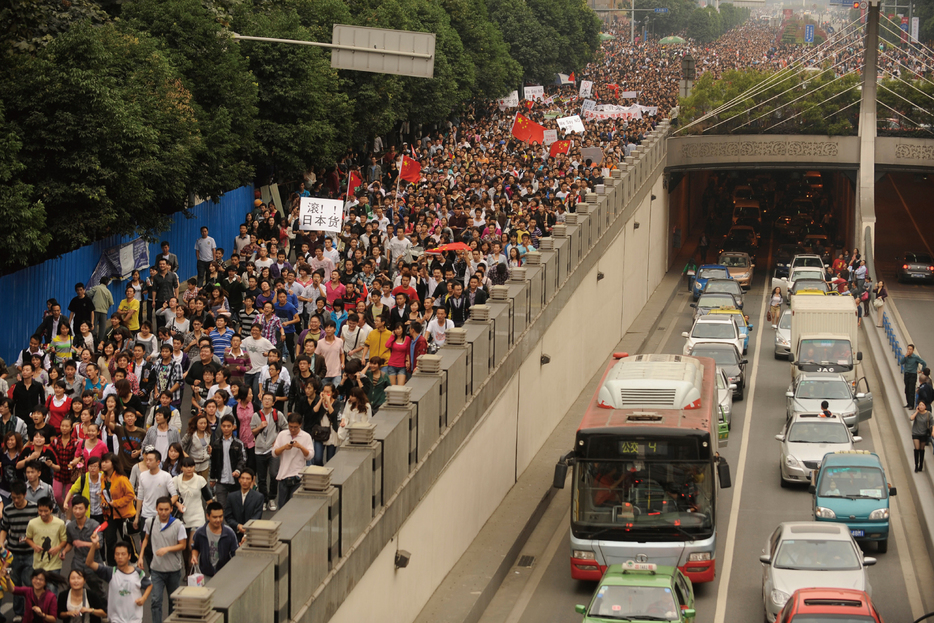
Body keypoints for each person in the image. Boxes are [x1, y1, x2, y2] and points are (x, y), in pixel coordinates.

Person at [138, 497, 186, 623]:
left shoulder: (178, 525)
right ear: (156, 509)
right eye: (161, 509)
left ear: (171, 509)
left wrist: (167, 549)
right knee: (155, 600)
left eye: (166, 509)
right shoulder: (150, 522)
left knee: (173, 602)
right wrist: (140, 556)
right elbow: (146, 539)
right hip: (156, 569)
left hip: (173, 570)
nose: (163, 512)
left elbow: (183, 545)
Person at [87, 534, 152, 623]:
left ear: (129, 556)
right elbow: (89, 563)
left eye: (123, 554)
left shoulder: (138, 573)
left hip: (134, 619)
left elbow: (149, 585)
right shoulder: (110, 572)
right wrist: (94, 544)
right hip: (116, 619)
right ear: (114, 556)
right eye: (117, 554)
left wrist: (144, 598)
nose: (120, 557)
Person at [0, 481, 40, 621]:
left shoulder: (35, 508)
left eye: (18, 497)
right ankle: (18, 613)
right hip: (13, 553)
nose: (16, 500)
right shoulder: (8, 509)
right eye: (13, 497)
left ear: (25, 494)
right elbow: (4, 528)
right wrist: (1, 544)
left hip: (30, 552)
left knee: (29, 583)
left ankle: (31, 612)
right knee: (15, 584)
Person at [133, 449, 179, 552]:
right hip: (145, 515)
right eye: (146, 460)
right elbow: (140, 497)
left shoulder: (166, 476)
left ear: (158, 462)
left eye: (150, 460)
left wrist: (164, 509)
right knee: (146, 546)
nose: (147, 462)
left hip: (161, 516)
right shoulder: (142, 476)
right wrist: (137, 516)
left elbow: (175, 495)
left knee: (161, 545)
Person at [64, 496, 106, 598]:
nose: (77, 511)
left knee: (98, 593)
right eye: (75, 508)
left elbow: (99, 544)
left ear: (86, 509)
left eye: (80, 508)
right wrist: (64, 551)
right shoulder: (70, 527)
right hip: (77, 564)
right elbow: (70, 542)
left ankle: (100, 612)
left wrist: (83, 543)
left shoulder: (94, 525)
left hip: (93, 564)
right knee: (72, 591)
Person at [100, 453, 136, 567]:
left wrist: (116, 503)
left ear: (113, 464)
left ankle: (134, 560)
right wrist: (104, 502)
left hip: (123, 514)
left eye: (106, 462)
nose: (103, 464)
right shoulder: (103, 478)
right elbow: (104, 493)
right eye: (103, 462)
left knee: (126, 539)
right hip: (109, 514)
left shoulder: (122, 479)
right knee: (110, 539)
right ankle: (111, 565)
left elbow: (131, 495)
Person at [251, 394, 286, 511]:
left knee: (274, 474)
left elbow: (285, 429)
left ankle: (272, 497)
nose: (266, 401)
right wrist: (260, 426)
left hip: (273, 449)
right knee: (261, 478)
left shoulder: (278, 414)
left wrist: (277, 440)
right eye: (265, 399)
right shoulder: (256, 415)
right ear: (261, 400)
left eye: (269, 400)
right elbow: (253, 432)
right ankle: (264, 499)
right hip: (259, 449)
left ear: (273, 402)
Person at [273, 414, 313, 508]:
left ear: (300, 425)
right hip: (283, 476)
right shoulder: (282, 434)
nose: (293, 429)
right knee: (282, 506)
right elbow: (274, 453)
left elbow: (310, 456)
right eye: (290, 427)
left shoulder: (306, 436)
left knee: (295, 507)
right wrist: (284, 447)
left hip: (298, 476)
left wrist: (301, 447)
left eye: (295, 427)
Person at [191, 501, 238, 580]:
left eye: (220, 516)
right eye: (215, 517)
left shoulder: (229, 533)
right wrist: (194, 556)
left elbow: (235, 554)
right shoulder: (200, 532)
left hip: (224, 575)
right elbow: (196, 547)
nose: (218, 520)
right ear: (208, 516)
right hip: (206, 574)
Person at [209, 416, 246, 510]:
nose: (226, 428)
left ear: (233, 427)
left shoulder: (238, 443)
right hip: (221, 480)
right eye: (224, 426)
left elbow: (243, 459)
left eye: (228, 426)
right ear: (221, 426)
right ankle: (222, 525)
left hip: (235, 480)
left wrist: (238, 470)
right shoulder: (216, 444)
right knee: (221, 507)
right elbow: (213, 461)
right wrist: (212, 477)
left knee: (236, 507)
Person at [24, 497, 67, 577]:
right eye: (40, 511)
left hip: (55, 565)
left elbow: (64, 540)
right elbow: (28, 538)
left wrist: (58, 548)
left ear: (51, 510)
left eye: (46, 511)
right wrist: (34, 546)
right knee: (38, 587)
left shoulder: (60, 523)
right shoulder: (32, 523)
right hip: (38, 565)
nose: (43, 514)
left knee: (52, 588)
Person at [224, 469, 263, 544]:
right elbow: (228, 516)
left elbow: (257, 517)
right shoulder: (231, 496)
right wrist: (238, 526)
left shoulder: (258, 497)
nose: (244, 481)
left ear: (252, 481)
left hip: (252, 534)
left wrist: (246, 532)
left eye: (248, 479)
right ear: (239, 480)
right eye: (242, 478)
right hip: (234, 533)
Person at [900, 344, 927, 409]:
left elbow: (924, 363)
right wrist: (905, 357)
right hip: (906, 374)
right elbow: (901, 362)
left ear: (913, 350)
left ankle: (911, 405)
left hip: (912, 374)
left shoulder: (916, 357)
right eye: (908, 349)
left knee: (911, 390)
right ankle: (908, 403)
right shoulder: (906, 357)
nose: (909, 350)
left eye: (910, 349)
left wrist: (921, 370)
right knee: (907, 389)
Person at [910, 402, 933, 472]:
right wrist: (916, 411)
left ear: (925, 406)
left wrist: (933, 431)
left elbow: (932, 423)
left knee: (921, 449)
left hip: (924, 433)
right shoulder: (916, 413)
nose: (921, 406)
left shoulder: (928, 414)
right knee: (916, 449)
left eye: (923, 405)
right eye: (920, 405)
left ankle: (921, 464)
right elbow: (911, 418)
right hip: (916, 433)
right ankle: (916, 465)